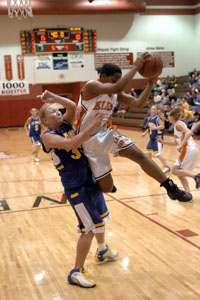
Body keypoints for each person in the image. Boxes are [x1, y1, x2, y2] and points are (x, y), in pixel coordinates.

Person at [76, 52, 192, 202]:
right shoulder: (92, 86)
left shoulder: (115, 92)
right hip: (87, 139)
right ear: (103, 76)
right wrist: (136, 66)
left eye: (118, 80)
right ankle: (95, 178)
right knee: (106, 187)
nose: (118, 85)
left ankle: (171, 188)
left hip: (106, 133)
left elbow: (138, 103)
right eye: (113, 80)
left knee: (140, 155)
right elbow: (117, 87)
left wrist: (150, 83)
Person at [38, 90, 118, 288]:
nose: (58, 112)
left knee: (101, 218)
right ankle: (76, 271)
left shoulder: (64, 124)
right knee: (88, 229)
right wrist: (91, 124)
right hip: (75, 187)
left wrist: (53, 97)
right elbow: (73, 142)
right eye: (53, 111)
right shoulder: (48, 136)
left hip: (89, 179)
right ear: (44, 120)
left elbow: (72, 106)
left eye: (58, 110)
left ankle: (102, 250)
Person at [157, 107, 200, 194]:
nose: (167, 117)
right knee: (180, 173)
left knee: (175, 171)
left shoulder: (178, 124)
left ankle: (196, 176)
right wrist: (163, 142)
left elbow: (189, 132)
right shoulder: (177, 125)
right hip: (193, 149)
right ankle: (188, 193)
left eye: (168, 116)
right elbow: (175, 142)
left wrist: (182, 144)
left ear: (172, 117)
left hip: (187, 149)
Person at [142, 105, 170, 173]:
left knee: (158, 154)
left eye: (154, 109)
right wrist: (145, 133)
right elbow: (149, 128)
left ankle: (166, 167)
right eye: (152, 109)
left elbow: (162, 126)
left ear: (157, 110)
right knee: (148, 152)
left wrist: (155, 128)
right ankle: (150, 166)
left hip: (158, 138)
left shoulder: (158, 118)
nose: (153, 110)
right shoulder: (150, 118)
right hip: (151, 138)